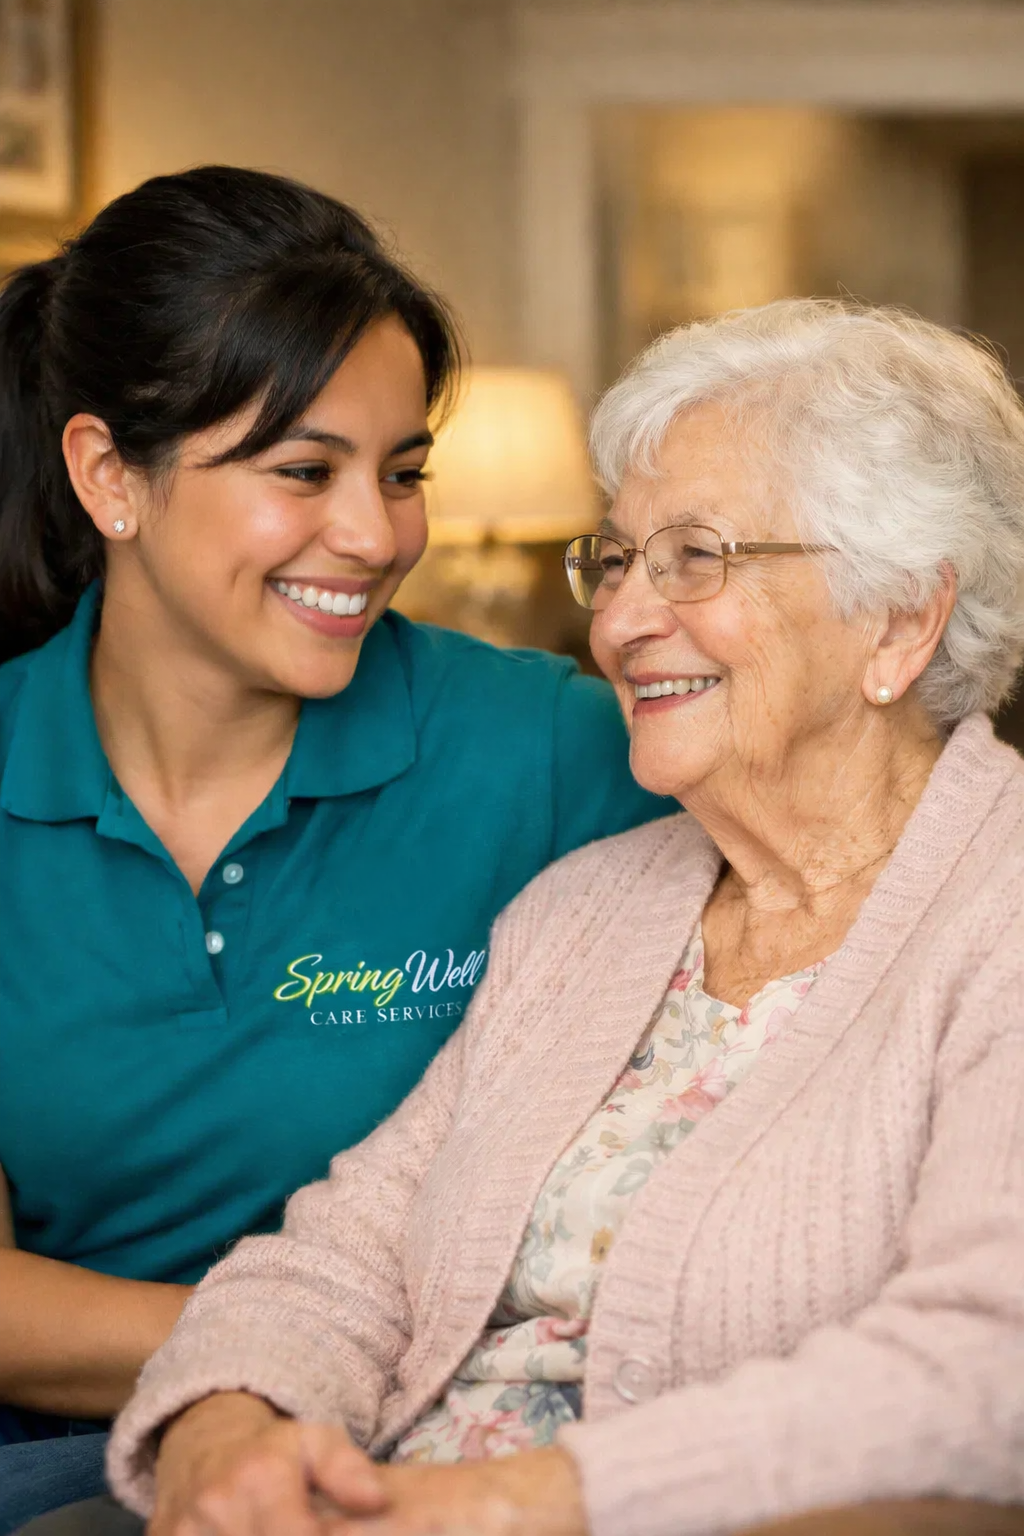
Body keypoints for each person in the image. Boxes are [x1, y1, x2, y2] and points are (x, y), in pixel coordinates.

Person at [104, 298, 1024, 1536]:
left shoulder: (995, 913)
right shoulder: (587, 907)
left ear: (902, 618)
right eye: (618, 557)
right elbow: (345, 1254)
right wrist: (228, 1432)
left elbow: (983, 1370)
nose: (621, 620)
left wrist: (510, 1503)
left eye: (695, 558)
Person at [0, 166, 669, 1534]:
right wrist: (275, 1361)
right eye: (303, 471)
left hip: (443, 1442)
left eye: (403, 472)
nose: (377, 536)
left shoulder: (548, 752)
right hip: (72, 1459)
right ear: (107, 476)